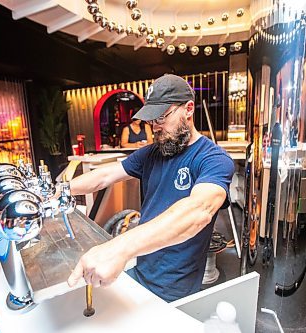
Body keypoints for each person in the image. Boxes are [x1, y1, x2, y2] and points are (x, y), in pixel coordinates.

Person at [67, 74, 234, 302]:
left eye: (162, 118)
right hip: (141, 266)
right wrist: (62, 189)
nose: (155, 127)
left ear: (188, 109)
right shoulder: (152, 153)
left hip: (174, 285)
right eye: (151, 120)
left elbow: (199, 211)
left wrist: (119, 248)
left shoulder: (213, 158)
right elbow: (104, 176)